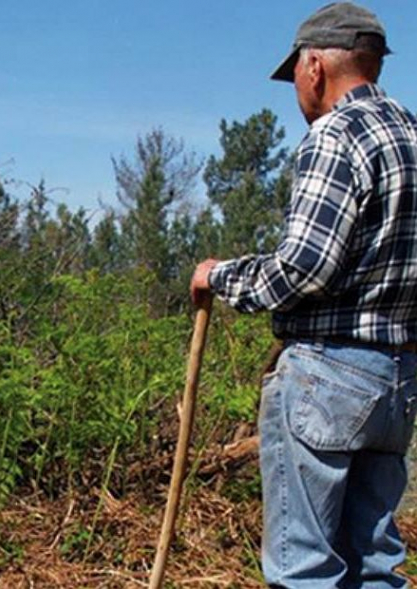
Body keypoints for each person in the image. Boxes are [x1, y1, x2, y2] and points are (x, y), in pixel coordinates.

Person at [190, 3, 417, 587]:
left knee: (304, 568)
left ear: (314, 66)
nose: (295, 86)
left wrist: (219, 276)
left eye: (294, 72)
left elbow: (304, 269)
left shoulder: (335, 137)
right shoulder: (412, 135)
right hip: (399, 379)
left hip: (328, 377)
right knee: (375, 564)